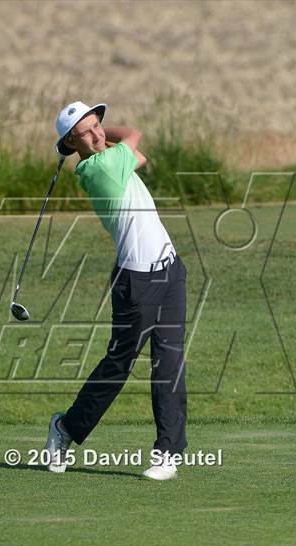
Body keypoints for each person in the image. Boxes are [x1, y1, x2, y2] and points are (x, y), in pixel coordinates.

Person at [44, 101, 188, 480]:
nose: (96, 135)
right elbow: (135, 138)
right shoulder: (98, 169)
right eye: (85, 133)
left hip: (170, 271)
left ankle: (167, 454)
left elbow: (137, 155)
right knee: (117, 367)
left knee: (169, 364)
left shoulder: (111, 160)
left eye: (97, 126)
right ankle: (65, 430)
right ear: (71, 144)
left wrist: (98, 134)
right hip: (136, 283)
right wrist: (110, 133)